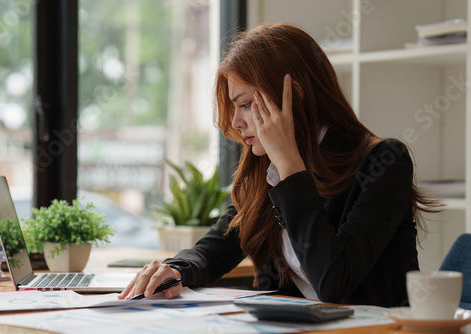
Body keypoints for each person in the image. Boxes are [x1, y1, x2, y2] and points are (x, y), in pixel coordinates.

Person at [118, 23, 440, 307]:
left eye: (245, 105)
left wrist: (289, 165)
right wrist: (177, 269)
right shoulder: (266, 172)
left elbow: (333, 282)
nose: (235, 121)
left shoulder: (384, 162)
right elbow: (219, 244)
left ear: (293, 97)